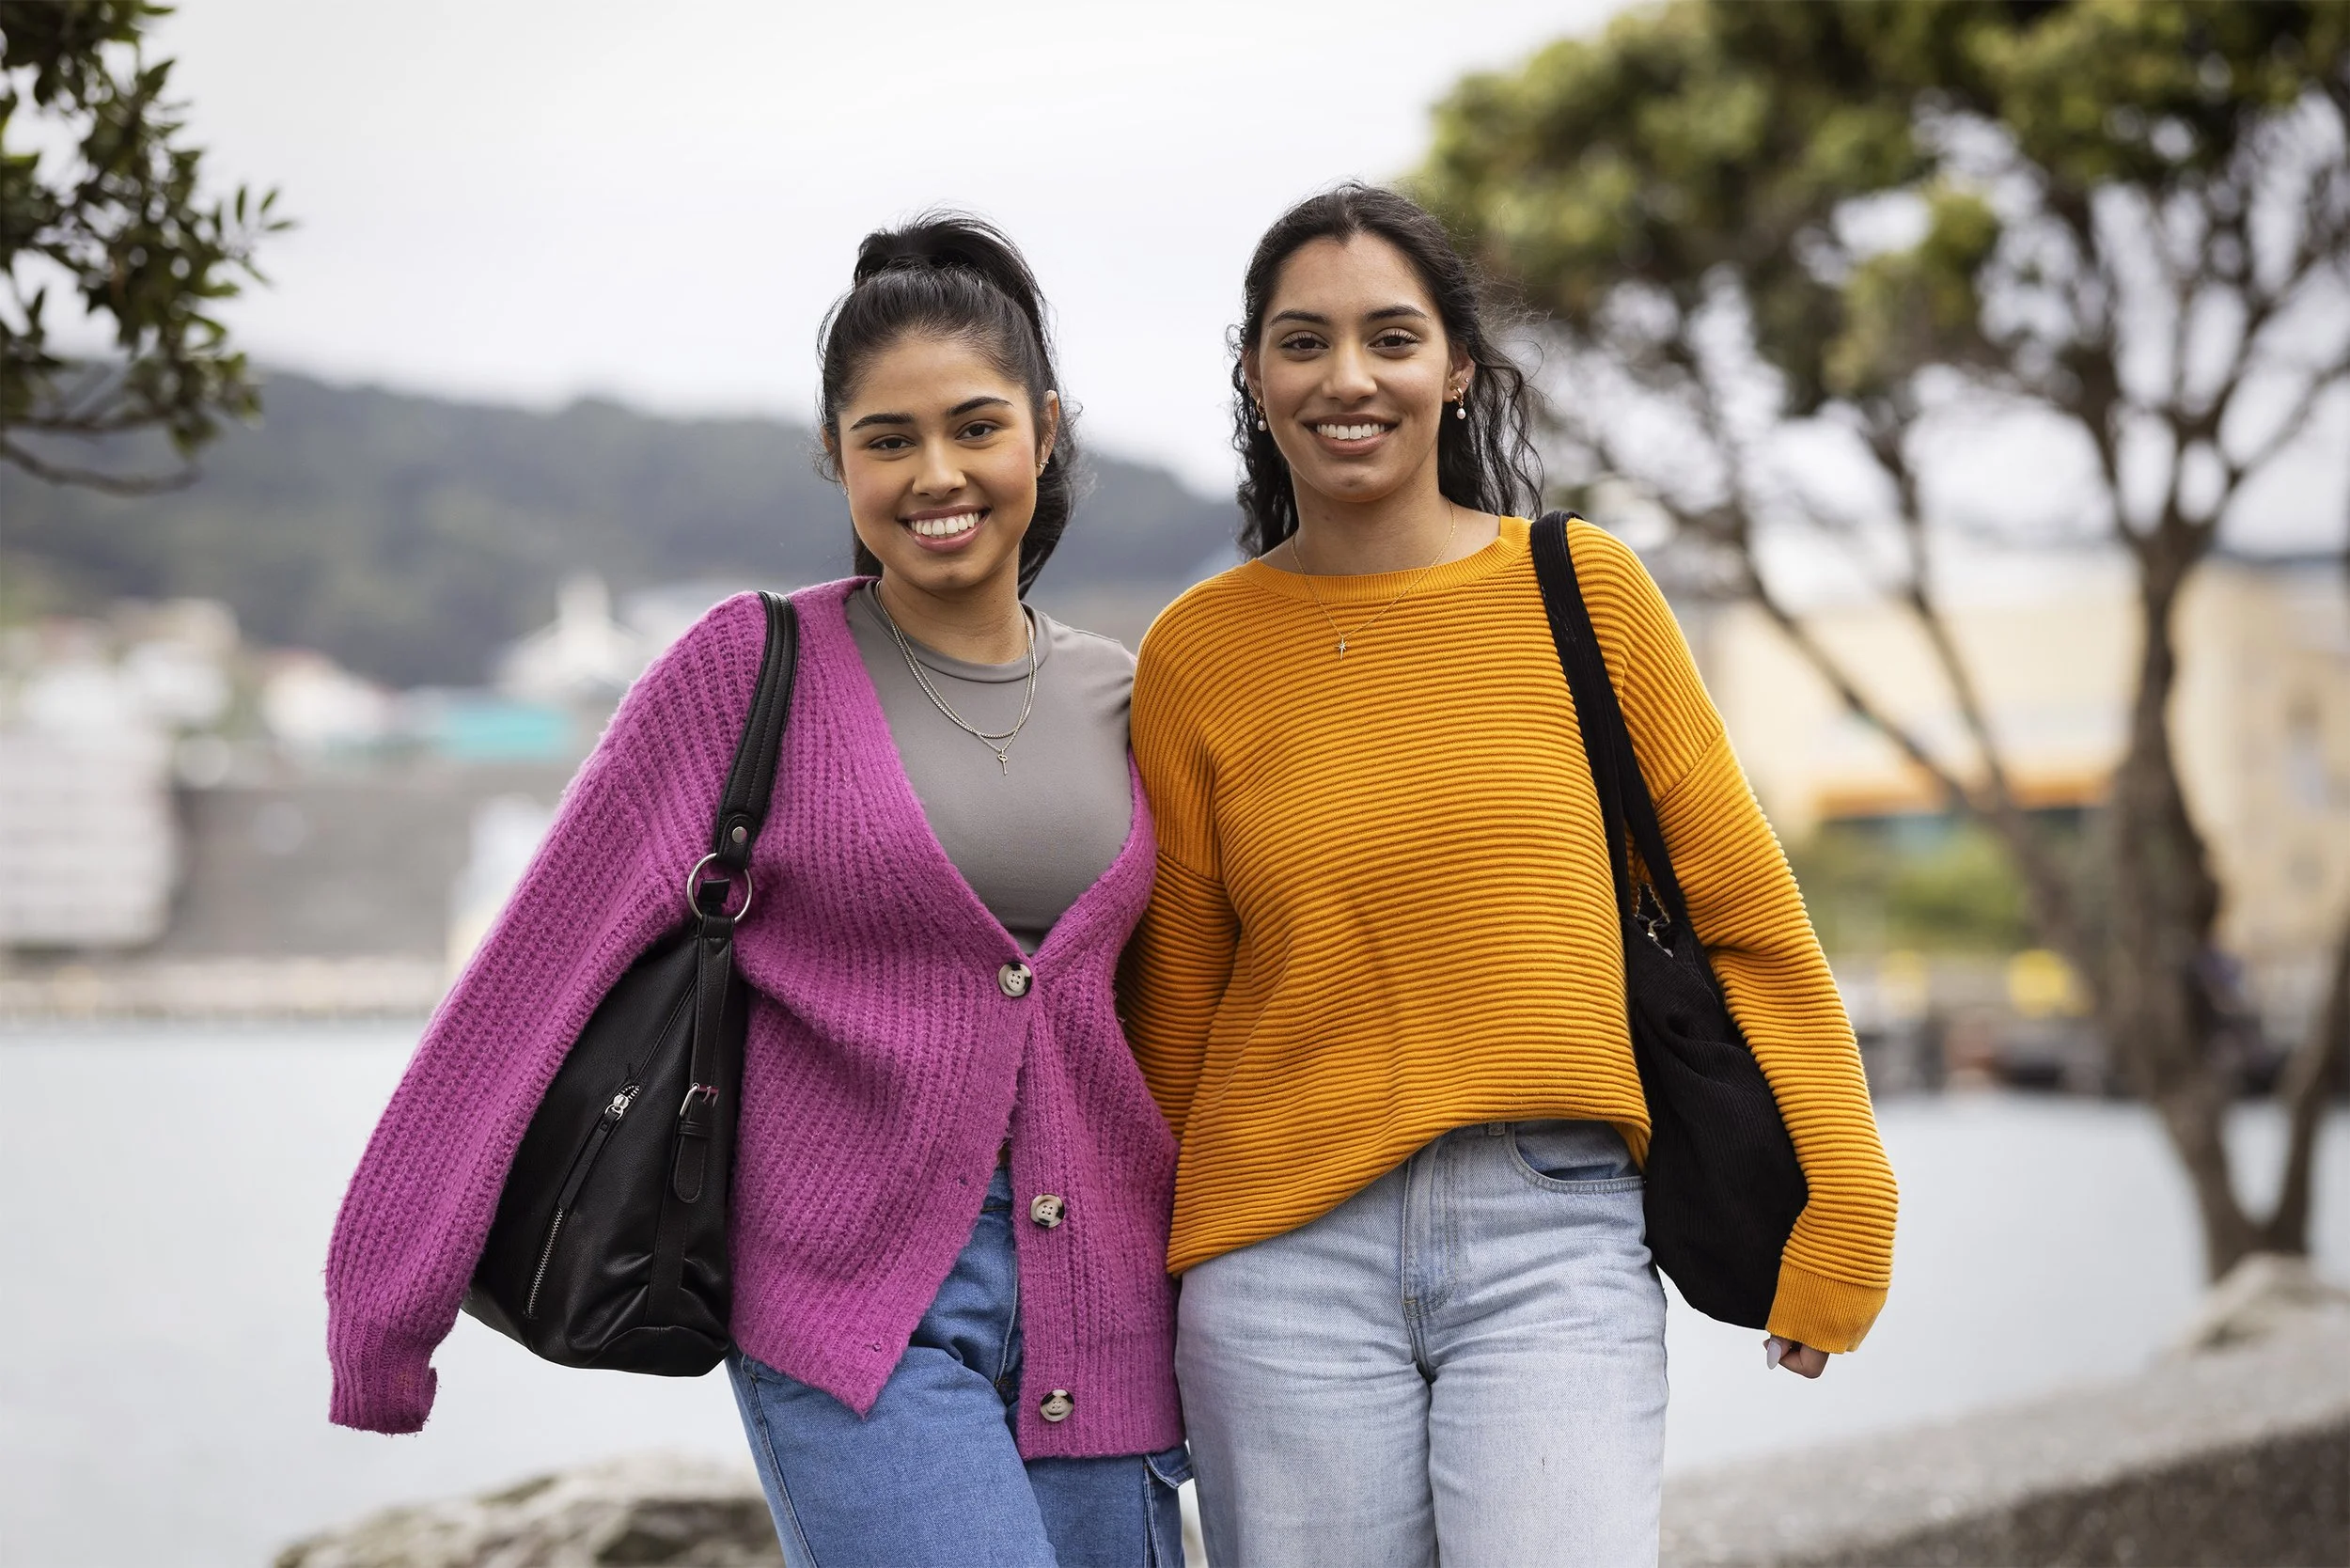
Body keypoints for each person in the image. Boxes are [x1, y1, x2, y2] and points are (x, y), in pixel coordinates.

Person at [324, 214, 1188, 1568]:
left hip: (1108, 1312)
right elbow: (527, 982)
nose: (936, 474)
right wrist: (386, 1301)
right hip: (854, 1310)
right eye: (887, 439)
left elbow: (1189, 1015)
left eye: (975, 426)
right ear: (833, 455)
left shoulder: (1134, 696)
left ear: (1049, 429)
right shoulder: (751, 670)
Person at [1120, 182, 1897, 1567]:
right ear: (1252, 372)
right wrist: (1120, 1314)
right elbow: (1176, 1005)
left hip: (1556, 1236)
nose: (1347, 379)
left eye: (1391, 338)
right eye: (1302, 341)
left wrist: (1849, 1208)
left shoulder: (1582, 590)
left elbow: (1748, 919)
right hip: (1276, 1261)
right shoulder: (1196, 652)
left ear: (1459, 366)